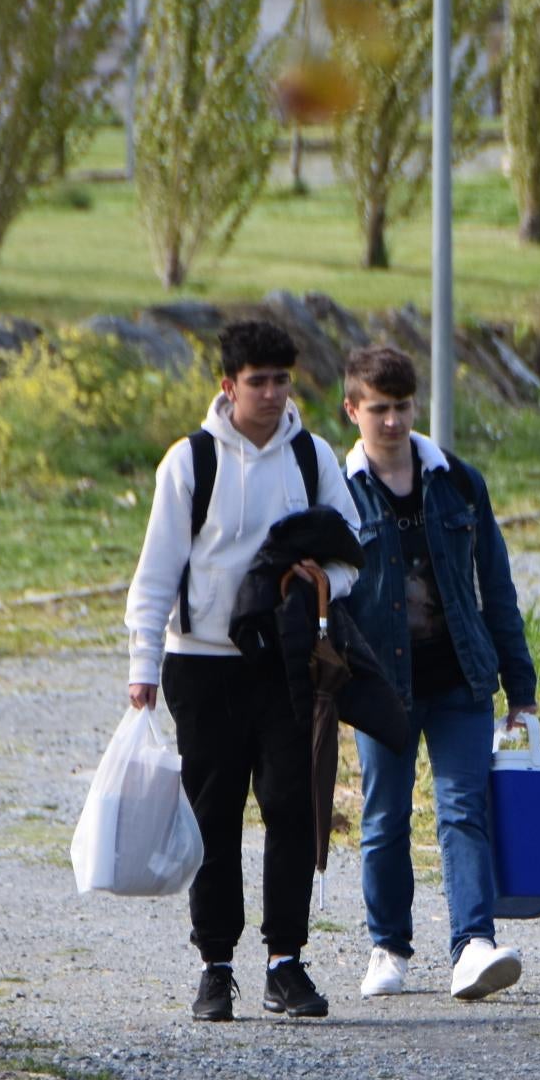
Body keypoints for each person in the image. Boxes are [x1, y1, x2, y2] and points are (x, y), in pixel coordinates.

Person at [123, 318, 365, 1023]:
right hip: (202, 668)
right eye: (256, 382)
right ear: (227, 386)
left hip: (285, 667)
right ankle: (215, 966)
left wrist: (323, 586)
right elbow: (156, 574)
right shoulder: (189, 463)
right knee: (214, 816)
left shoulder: (314, 459)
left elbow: (353, 551)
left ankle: (285, 963)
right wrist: (142, 666)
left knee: (291, 806)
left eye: (281, 380)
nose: (270, 394)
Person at [338, 344, 538, 1003]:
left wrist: (521, 689)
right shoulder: (337, 493)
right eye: (378, 410)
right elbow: (324, 598)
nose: (391, 422)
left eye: (401, 407)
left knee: (463, 808)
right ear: (352, 410)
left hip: (459, 678)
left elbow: (497, 589)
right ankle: (387, 948)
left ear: (415, 406)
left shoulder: (458, 481)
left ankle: (473, 945)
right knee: (385, 816)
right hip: (381, 685)